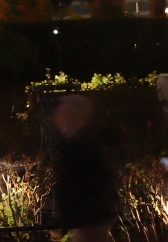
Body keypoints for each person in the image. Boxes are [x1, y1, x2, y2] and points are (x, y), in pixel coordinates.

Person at [49, 95, 116, 242]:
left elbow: (75, 182)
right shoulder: (84, 141)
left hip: (87, 220)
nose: (57, 118)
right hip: (89, 219)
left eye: (61, 113)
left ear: (71, 116)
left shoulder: (79, 143)